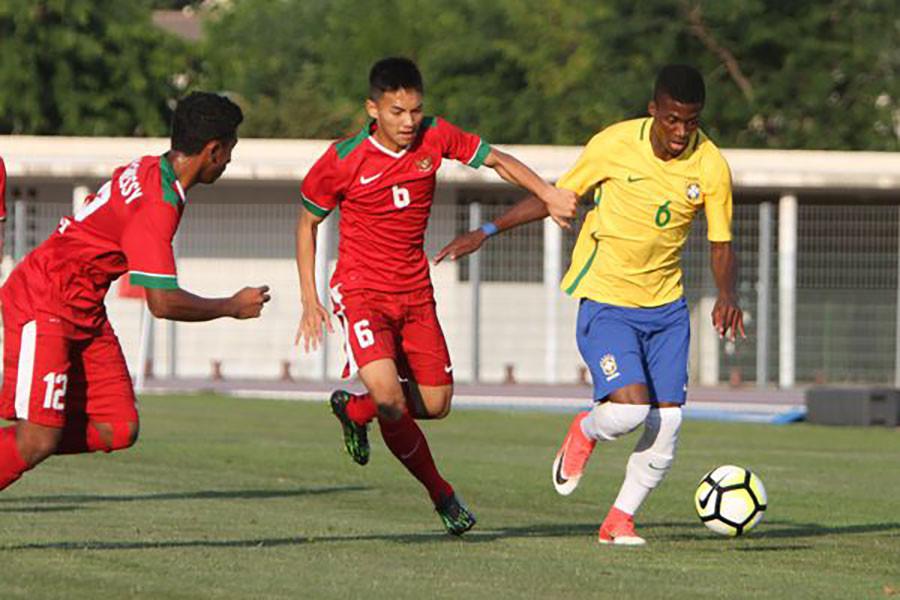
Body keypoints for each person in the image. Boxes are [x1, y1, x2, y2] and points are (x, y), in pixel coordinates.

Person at [436, 64, 744, 545]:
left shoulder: (711, 166)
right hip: (607, 300)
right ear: (653, 111)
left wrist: (727, 295)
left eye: (691, 120)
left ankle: (618, 519)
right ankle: (585, 429)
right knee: (627, 414)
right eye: (672, 120)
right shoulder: (613, 144)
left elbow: (721, 243)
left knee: (670, 422)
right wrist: (486, 231)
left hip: (666, 309)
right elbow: (554, 197)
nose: (682, 132)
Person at [296, 57, 577, 535]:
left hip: (415, 294)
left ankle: (353, 408)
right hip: (361, 291)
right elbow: (307, 224)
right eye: (397, 112)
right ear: (373, 109)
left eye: (415, 111)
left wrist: (547, 193)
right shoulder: (342, 160)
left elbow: (498, 160)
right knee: (390, 398)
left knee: (436, 403)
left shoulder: (435, 135)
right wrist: (310, 298)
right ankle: (442, 494)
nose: (408, 122)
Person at [0, 92, 271, 494]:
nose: (230, 160)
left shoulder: (149, 167)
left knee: (118, 426)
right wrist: (231, 306)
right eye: (230, 150)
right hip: (47, 298)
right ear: (213, 150)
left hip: (83, 306)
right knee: (39, 438)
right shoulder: (158, 203)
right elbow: (161, 303)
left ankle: (33, 429)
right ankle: (33, 433)